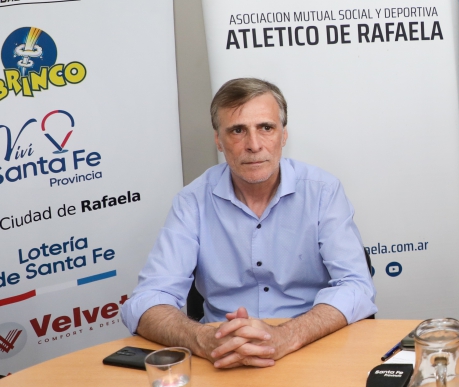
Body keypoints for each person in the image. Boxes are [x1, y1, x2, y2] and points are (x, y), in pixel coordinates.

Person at [122, 78, 377, 368]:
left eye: (266, 128)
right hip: (222, 355)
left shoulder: (322, 191)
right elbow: (146, 300)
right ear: (218, 141)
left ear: (283, 135)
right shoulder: (192, 201)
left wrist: (286, 336)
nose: (253, 145)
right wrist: (202, 339)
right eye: (237, 130)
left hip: (308, 347)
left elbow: (357, 286)